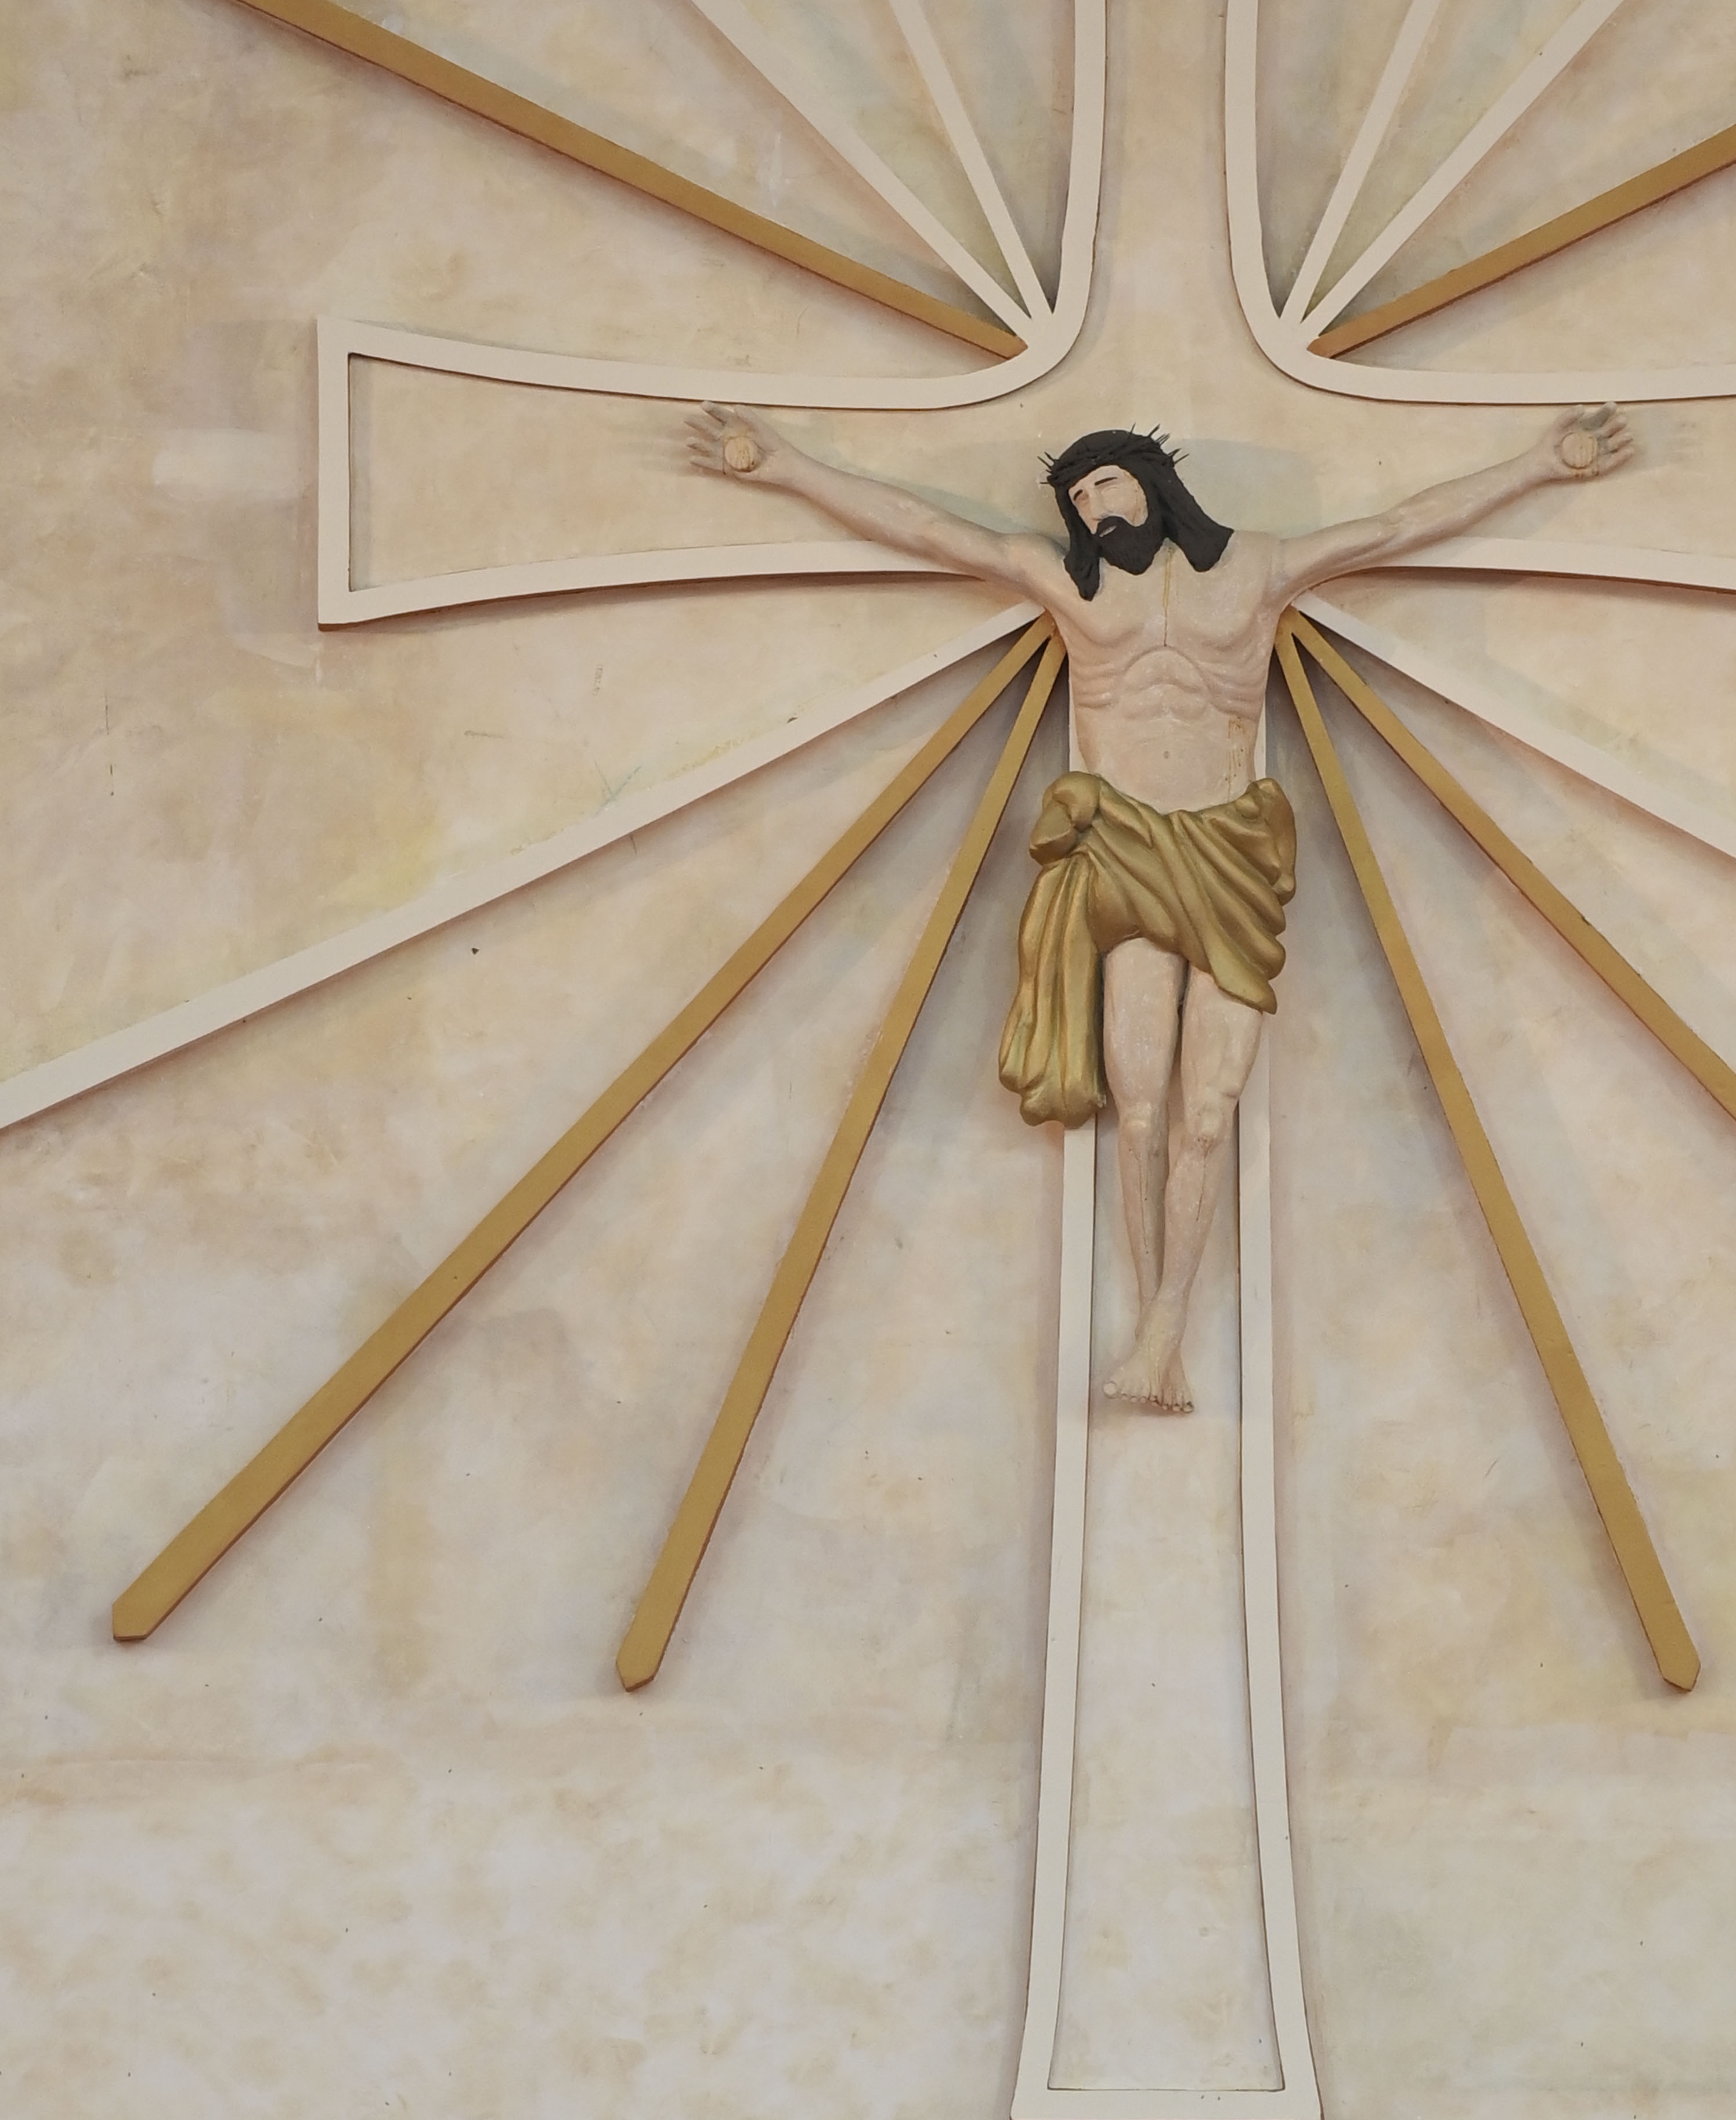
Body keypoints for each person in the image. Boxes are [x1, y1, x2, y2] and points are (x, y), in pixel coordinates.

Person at [691, 402, 1629, 1409]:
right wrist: (786, 469)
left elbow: (1399, 526)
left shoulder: (1257, 570)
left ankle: (1167, 1325)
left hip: (1226, 850)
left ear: (1151, 480)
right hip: (1127, 850)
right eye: (1078, 497)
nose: (1092, 508)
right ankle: (1155, 1332)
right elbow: (928, 529)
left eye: (1104, 485)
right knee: (1138, 1105)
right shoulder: (1070, 585)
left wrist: (1537, 466)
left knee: (1210, 1110)